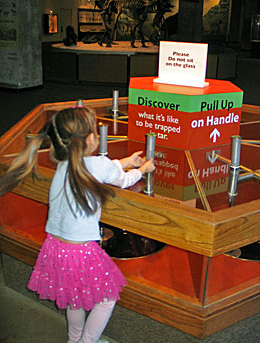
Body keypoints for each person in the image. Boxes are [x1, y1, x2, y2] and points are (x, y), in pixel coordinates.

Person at [0, 106, 155, 343]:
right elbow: (121, 180)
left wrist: (126, 160)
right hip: (81, 251)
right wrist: (142, 169)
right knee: (107, 298)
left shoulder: (65, 165)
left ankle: (74, 340)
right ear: (91, 138)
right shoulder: (94, 166)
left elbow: (100, 169)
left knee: (74, 297)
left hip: (54, 247)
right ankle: (86, 342)